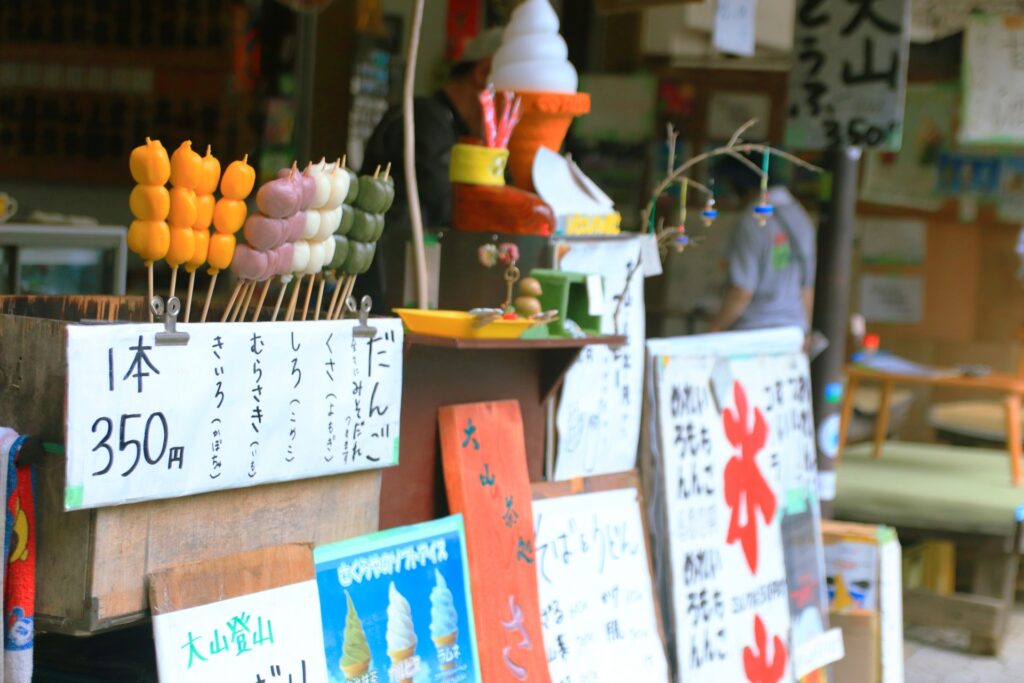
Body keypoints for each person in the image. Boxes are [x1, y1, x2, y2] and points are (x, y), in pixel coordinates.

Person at [356, 27, 504, 310]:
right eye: (507, 99)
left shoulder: (445, 124)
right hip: (390, 287)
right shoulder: (426, 120)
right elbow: (449, 205)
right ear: (483, 73)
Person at [708, 152, 817, 337]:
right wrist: (806, 330)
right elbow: (807, 287)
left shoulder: (751, 222)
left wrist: (714, 330)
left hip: (754, 332)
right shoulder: (801, 217)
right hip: (793, 332)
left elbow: (742, 291)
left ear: (739, 183)